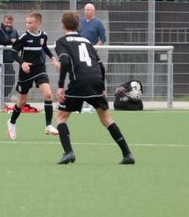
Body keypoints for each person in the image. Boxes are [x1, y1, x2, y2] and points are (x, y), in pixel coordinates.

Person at [53, 10, 135, 165]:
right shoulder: (86, 41)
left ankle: (69, 152)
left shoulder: (61, 42)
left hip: (79, 82)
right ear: (79, 25)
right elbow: (100, 66)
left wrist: (60, 86)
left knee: (61, 117)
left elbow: (65, 62)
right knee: (106, 118)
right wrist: (102, 86)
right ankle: (127, 153)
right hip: (96, 80)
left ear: (63, 25)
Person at [6, 10, 59, 140]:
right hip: (26, 72)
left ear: (38, 23)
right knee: (23, 101)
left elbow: (44, 47)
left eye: (30, 23)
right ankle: (12, 122)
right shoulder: (24, 37)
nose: (27, 25)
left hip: (40, 69)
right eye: (27, 23)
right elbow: (13, 52)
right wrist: (22, 63)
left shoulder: (43, 36)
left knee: (48, 94)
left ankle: (48, 125)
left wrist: (53, 58)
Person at [0, 14, 19, 110]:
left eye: (10, 23)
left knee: (10, 80)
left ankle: (1, 99)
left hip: (9, 61)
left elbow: (18, 42)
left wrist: (15, 41)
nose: (8, 24)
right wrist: (12, 41)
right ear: (3, 21)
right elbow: (0, 41)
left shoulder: (15, 31)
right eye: (7, 22)